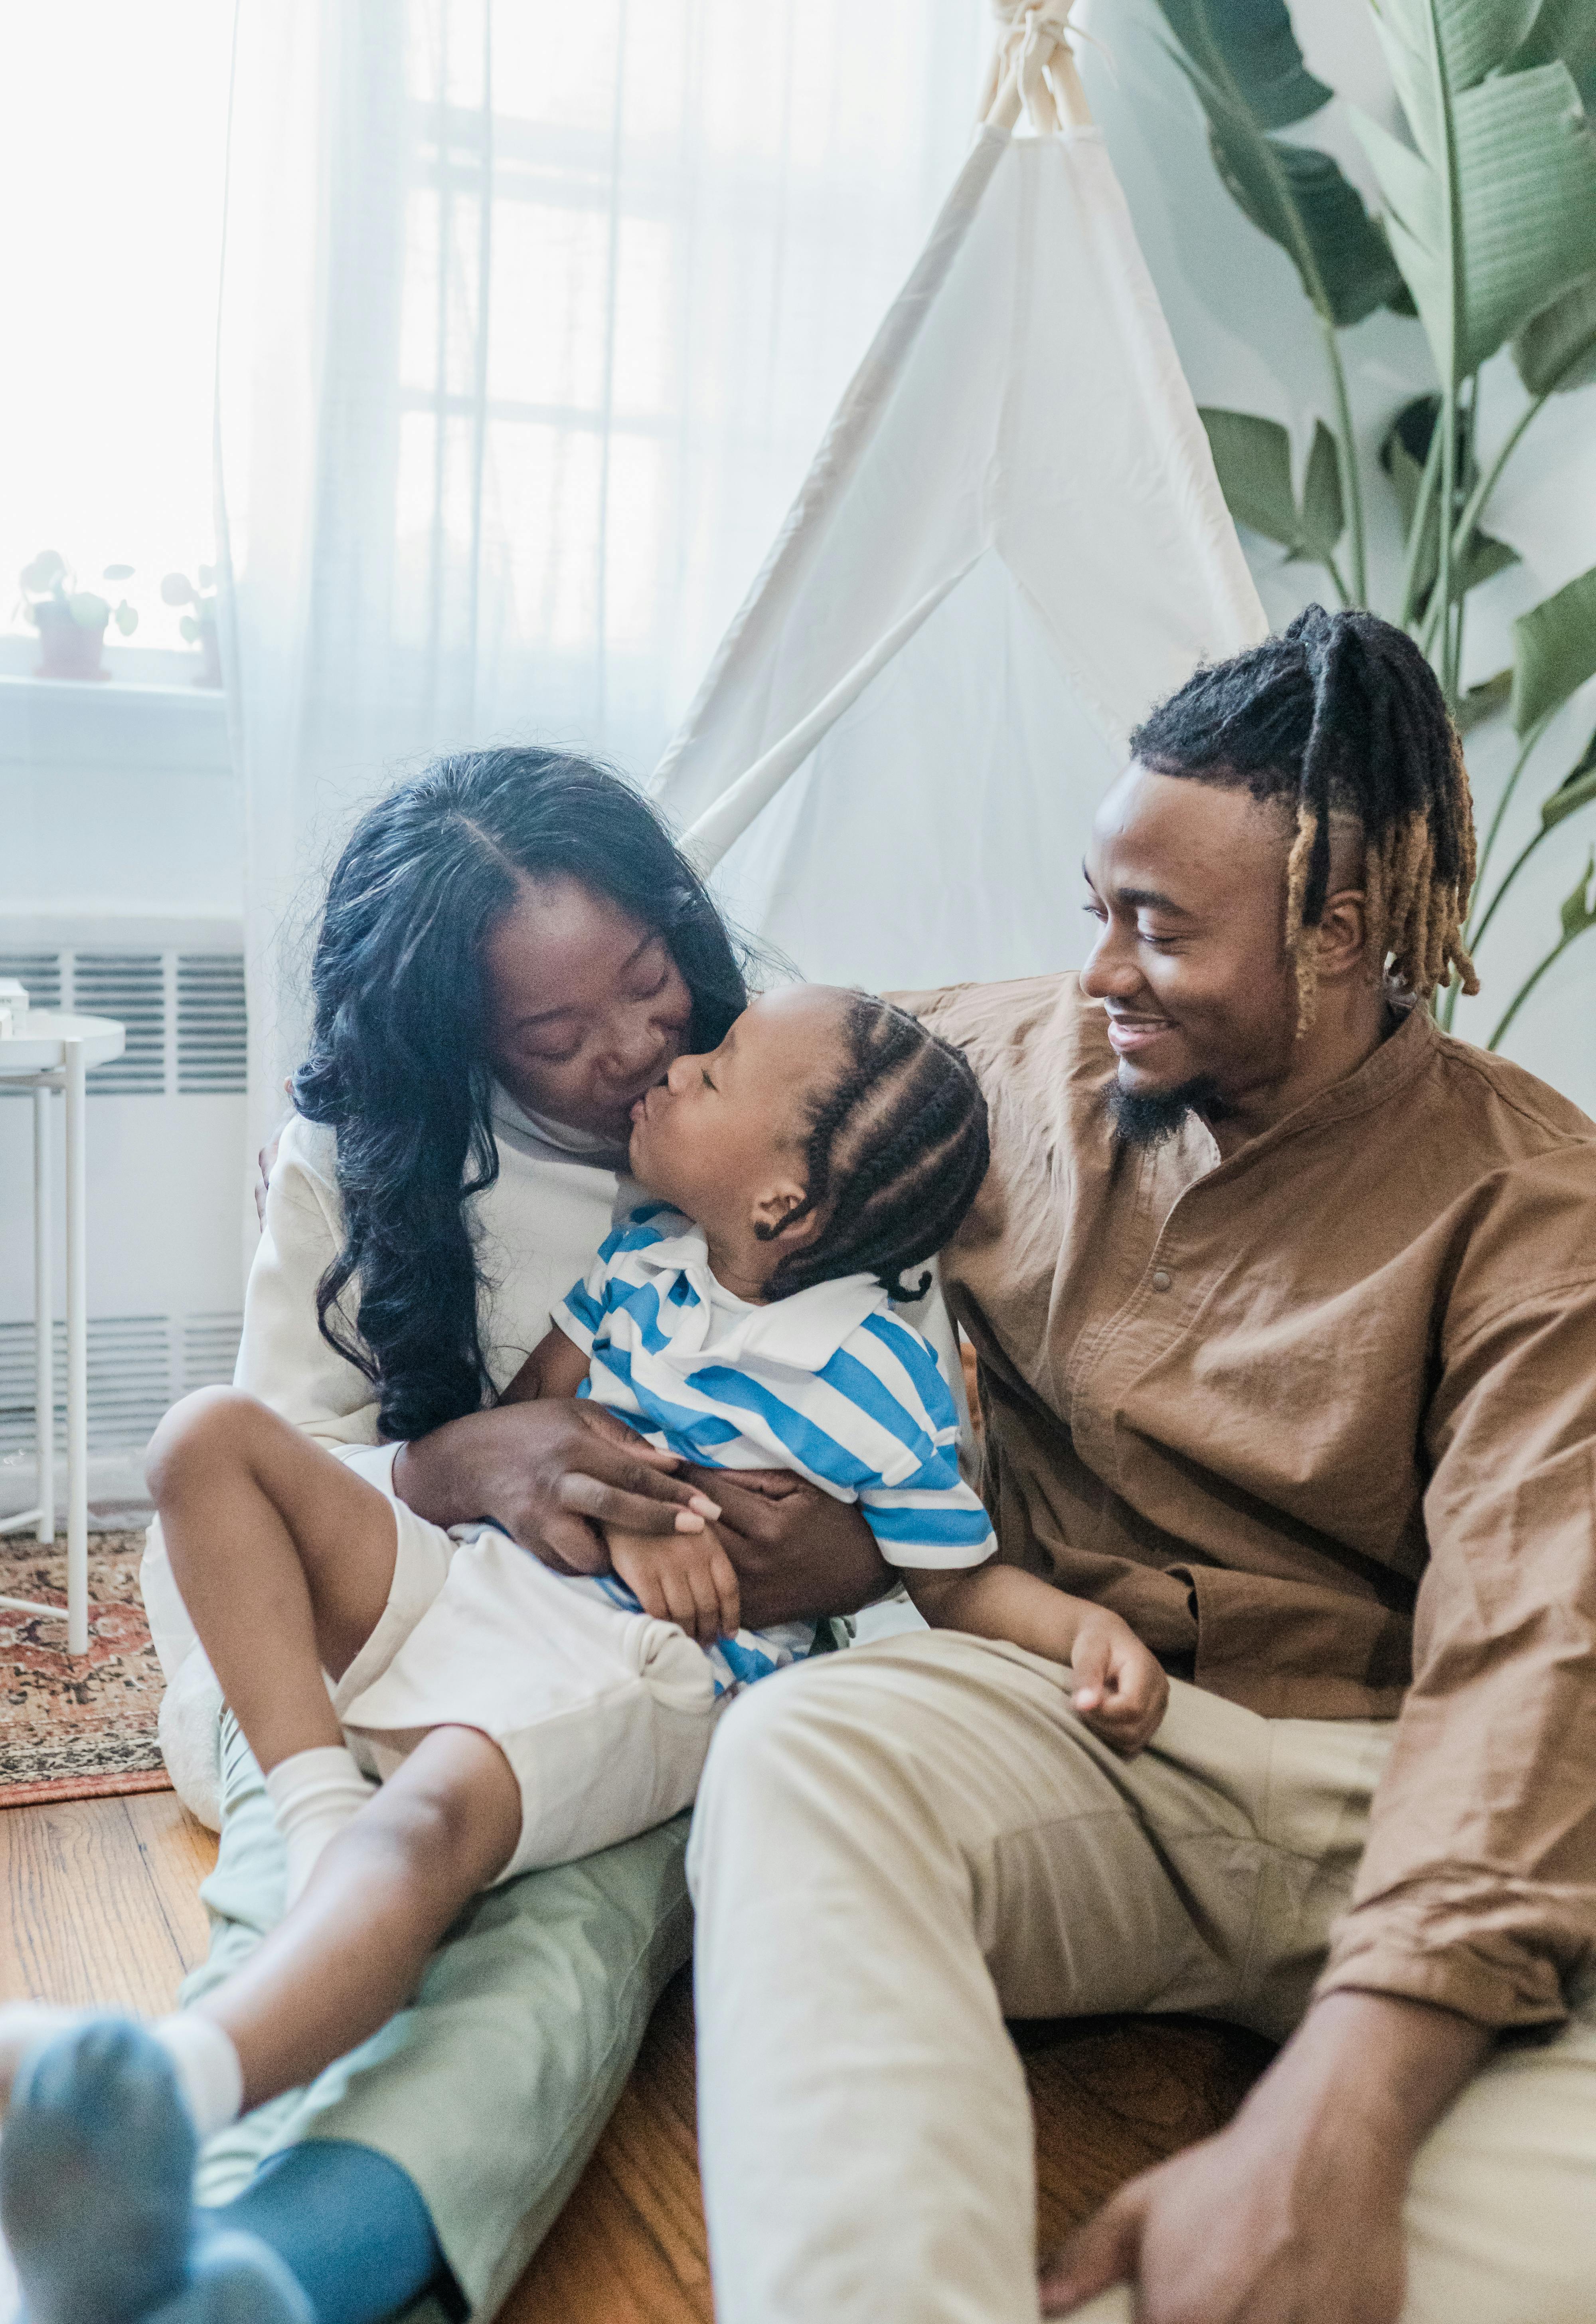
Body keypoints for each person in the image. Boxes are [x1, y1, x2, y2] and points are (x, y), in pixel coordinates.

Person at [0, 986, 1172, 2324]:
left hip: (646, 1668)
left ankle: (172, 2086)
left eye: (713, 1070)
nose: (669, 1068)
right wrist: (615, 1510)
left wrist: (1088, 1631)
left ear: (784, 1206)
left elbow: (958, 1584)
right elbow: (523, 1443)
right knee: (203, 1440)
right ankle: (313, 1800)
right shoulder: (642, 1260)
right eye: (556, 1030)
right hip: (507, 1577)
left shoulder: (875, 1372)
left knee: (429, 1829)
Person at [687, 604, 1596, 2324]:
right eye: (1093, 909)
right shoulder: (1002, 1067)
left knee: (1387, 2247)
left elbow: (1534, 1672)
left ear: (1336, 938)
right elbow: (719, 1090)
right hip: (1112, 1754)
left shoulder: (1537, 1208)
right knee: (804, 1748)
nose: (1097, 967)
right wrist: (510, 1421)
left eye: (1156, 928)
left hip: (1407, 1791)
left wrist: (1332, 2124)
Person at [120, 750, 901, 2324]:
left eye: (650, 980)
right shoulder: (370, 1157)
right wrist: (463, 1461)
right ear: (454, 1041)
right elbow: (290, 1461)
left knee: (553, 1943)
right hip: (380, 1628)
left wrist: (714, 1541)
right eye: (554, 1034)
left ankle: (263, 2265)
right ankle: (141, 2196)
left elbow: (882, 1499)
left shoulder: (780, 1130)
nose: (634, 1052)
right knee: (320, 1866)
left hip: (643, 1664)